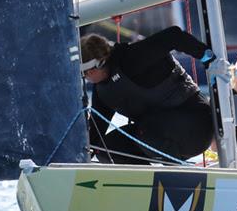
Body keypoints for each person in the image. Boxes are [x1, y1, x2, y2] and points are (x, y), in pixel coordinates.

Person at [80, 26, 214, 164]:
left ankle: (176, 173)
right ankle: (146, 181)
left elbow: (173, 36)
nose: (85, 77)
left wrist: (208, 58)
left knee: (145, 130)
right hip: (157, 134)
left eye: (84, 73)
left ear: (99, 63)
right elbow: (96, 131)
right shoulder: (102, 91)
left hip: (195, 124)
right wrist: (79, 160)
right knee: (106, 150)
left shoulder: (130, 58)